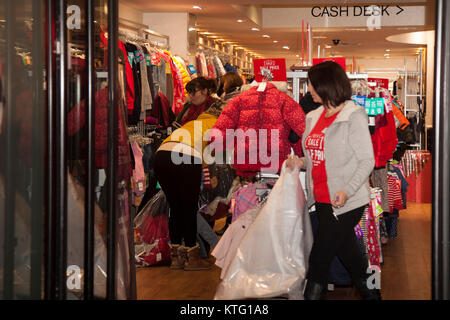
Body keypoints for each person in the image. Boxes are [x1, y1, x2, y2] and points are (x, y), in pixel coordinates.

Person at [286, 61, 379, 300]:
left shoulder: (353, 115)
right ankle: (373, 295)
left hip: (347, 202)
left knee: (319, 258)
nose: (308, 90)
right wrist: (300, 162)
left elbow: (367, 160)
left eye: (312, 85)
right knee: (352, 258)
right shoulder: (313, 117)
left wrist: (347, 191)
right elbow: (317, 157)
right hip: (323, 199)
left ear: (326, 85)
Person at [154, 72, 243, 271]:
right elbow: (218, 154)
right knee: (188, 209)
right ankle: (192, 258)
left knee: (176, 209)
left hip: (161, 155)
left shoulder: (195, 120)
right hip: (184, 157)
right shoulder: (219, 125)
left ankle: (177, 257)